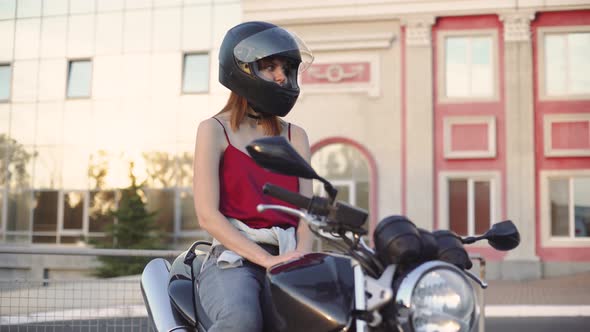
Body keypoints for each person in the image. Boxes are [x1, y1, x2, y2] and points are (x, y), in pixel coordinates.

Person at [192, 21, 314, 332]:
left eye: (286, 68)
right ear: (242, 69)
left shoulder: (295, 135)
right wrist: (266, 260)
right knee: (241, 320)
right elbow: (207, 215)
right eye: (269, 66)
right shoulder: (214, 130)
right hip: (233, 259)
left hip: (288, 256)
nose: (280, 76)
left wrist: (300, 256)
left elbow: (306, 214)